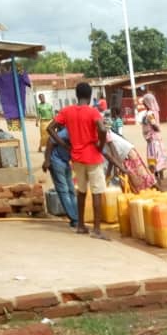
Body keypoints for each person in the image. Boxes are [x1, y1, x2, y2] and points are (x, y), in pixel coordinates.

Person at [49, 82, 109, 240]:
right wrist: (100, 145)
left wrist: (63, 144)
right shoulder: (93, 112)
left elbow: (50, 128)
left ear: (77, 95)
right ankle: (96, 230)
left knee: (81, 191)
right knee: (96, 191)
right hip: (92, 157)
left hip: (76, 157)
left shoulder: (67, 111)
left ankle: (81, 225)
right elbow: (102, 129)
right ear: (90, 97)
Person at [42, 126, 79, 228]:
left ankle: (76, 216)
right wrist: (47, 160)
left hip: (65, 161)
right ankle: (75, 218)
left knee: (71, 190)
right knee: (64, 190)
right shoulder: (68, 131)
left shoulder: (78, 131)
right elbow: (51, 140)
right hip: (56, 161)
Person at [140, 89, 167, 181]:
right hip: (157, 138)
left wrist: (157, 128)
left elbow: (154, 124)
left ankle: (157, 177)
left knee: (154, 157)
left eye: (144, 102)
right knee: (160, 155)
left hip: (152, 139)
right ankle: (161, 176)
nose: (144, 104)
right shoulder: (155, 112)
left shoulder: (149, 114)